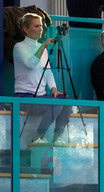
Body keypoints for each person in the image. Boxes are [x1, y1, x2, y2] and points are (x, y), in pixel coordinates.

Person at [13, 13, 72, 144]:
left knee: (66, 100)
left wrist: (54, 89)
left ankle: (57, 137)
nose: (41, 29)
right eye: (36, 26)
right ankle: (38, 137)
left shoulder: (42, 48)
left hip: (40, 96)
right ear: (26, 29)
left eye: (41, 26)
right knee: (56, 104)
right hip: (24, 97)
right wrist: (43, 46)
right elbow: (30, 64)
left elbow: (48, 72)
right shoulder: (19, 47)